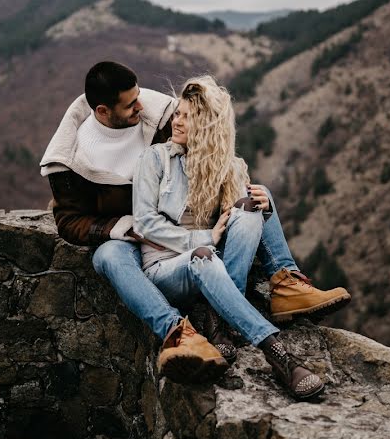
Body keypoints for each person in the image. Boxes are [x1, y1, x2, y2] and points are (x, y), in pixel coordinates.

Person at [39, 62, 351, 387]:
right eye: (131, 104)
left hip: (189, 241)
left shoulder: (159, 119)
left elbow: (203, 157)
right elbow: (70, 220)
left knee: (253, 199)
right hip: (140, 240)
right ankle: (191, 335)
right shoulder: (75, 157)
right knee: (110, 257)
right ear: (103, 111)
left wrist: (256, 204)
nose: (143, 107)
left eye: (140, 97)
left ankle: (277, 286)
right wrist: (122, 228)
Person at [132, 75, 347, 399]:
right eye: (177, 113)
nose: (176, 121)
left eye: (188, 116)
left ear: (207, 125)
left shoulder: (229, 167)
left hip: (214, 268)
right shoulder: (156, 159)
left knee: (252, 203)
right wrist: (204, 236)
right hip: (167, 268)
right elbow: (145, 223)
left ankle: (219, 319)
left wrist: (263, 208)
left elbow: (242, 230)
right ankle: (279, 355)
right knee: (203, 256)